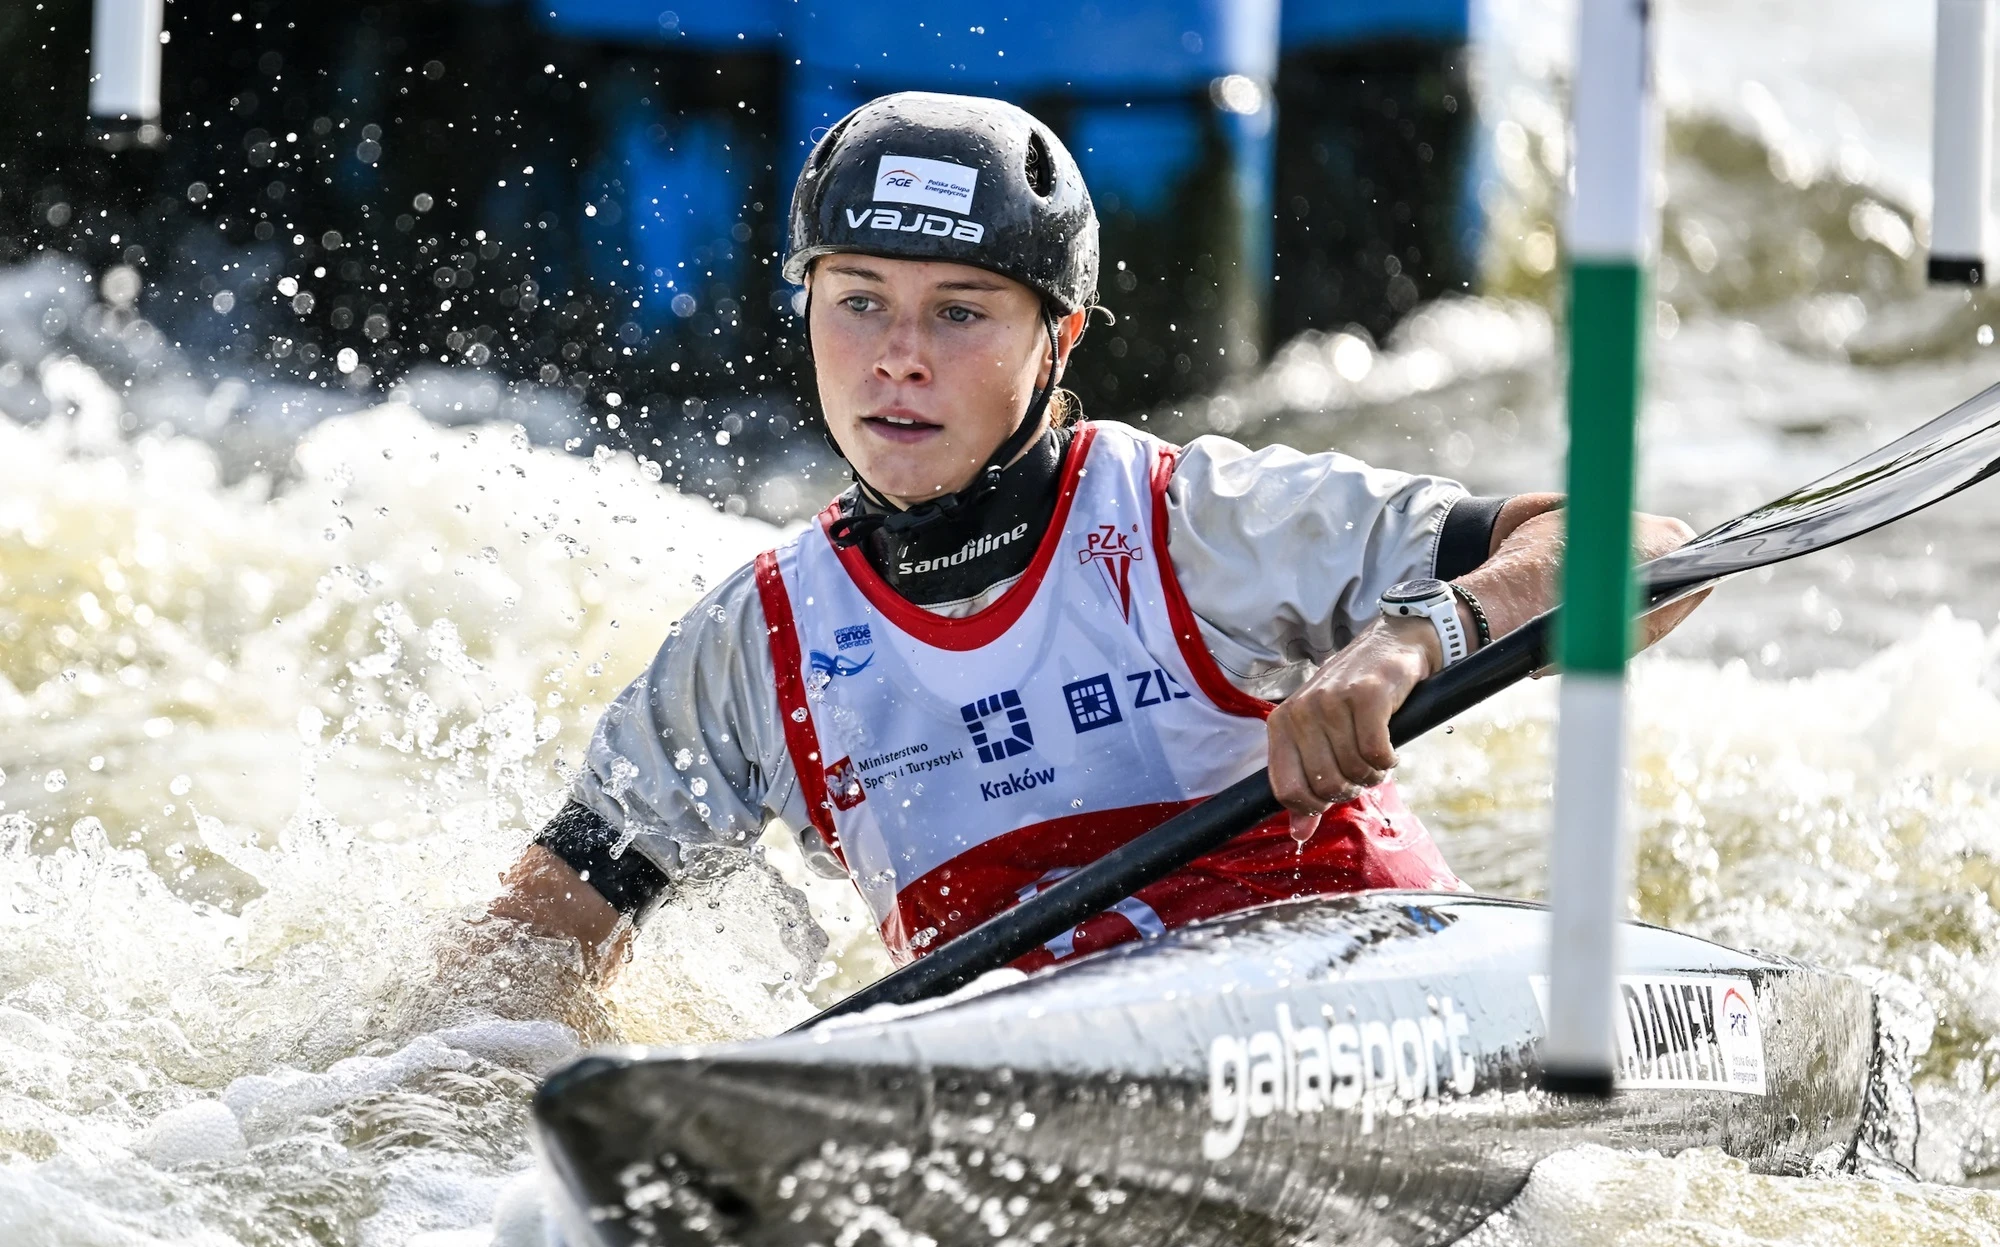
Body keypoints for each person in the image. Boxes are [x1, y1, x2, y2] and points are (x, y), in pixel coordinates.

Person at [488, 91, 1700, 984]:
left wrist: (1420, 638)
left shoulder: (1194, 522)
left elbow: (1653, 554)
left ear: (1059, 342)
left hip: (1354, 1001)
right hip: (1042, 1090)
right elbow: (531, 950)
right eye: (857, 300)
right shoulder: (755, 649)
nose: (897, 356)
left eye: (958, 312)